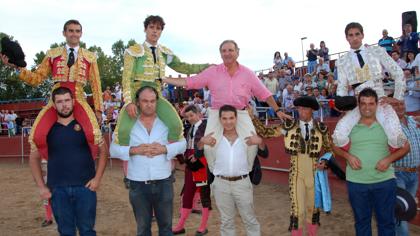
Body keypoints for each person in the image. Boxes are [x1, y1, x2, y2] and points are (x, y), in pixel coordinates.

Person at [163, 40, 291, 176]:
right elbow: (190, 82)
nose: (227, 53)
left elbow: (264, 93)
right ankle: (214, 172)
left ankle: (249, 170)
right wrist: (164, 79)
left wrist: (278, 110)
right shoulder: (212, 71)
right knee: (208, 145)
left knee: (252, 143)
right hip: (217, 112)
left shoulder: (248, 73)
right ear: (220, 54)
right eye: (224, 51)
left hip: (240, 112)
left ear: (237, 52)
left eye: (230, 50)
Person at [0, 19, 103, 160]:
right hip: (56, 99)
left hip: (77, 97)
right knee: (36, 136)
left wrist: (99, 110)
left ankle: (86, 169)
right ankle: (55, 164)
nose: (74, 34)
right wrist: (17, 68)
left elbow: (96, 85)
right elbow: (36, 78)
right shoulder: (52, 54)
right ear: (64, 33)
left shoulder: (90, 57)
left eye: (77, 31)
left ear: (81, 33)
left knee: (93, 134)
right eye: (71, 31)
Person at [113, 15, 208, 148]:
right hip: (136, 97)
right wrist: (129, 102)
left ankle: (167, 155)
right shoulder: (133, 51)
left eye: (158, 28)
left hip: (156, 97)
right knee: (122, 131)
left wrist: (205, 67)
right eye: (151, 27)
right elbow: (127, 78)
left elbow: (183, 66)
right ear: (145, 29)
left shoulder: (164, 53)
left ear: (161, 32)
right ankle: (128, 162)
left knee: (176, 125)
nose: (155, 31)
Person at [29, 87, 108, 236]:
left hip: (86, 188)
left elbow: (104, 150)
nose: (64, 105)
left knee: (87, 231)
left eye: (67, 100)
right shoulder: (46, 129)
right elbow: (33, 158)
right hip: (58, 191)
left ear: (73, 101)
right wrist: (41, 186)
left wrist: (97, 179)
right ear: (54, 105)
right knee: (66, 232)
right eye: (59, 101)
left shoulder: (87, 125)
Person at [110, 86, 187, 236]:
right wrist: (134, 150)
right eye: (145, 101)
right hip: (137, 184)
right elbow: (113, 149)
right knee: (143, 229)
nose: (149, 104)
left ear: (157, 102)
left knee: (166, 228)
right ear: (137, 102)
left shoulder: (166, 122)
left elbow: (183, 144)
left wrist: (164, 149)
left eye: (152, 101)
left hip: (164, 182)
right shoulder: (127, 124)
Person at [333, 88, 410, 236]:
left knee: (387, 223)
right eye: (363, 103)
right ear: (358, 104)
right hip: (356, 183)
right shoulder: (348, 125)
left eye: (371, 103)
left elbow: (405, 147)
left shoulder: (387, 124)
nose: (367, 107)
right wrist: (347, 156)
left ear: (377, 104)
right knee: (362, 223)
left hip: (385, 181)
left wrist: (388, 159)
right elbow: (334, 145)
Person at [250, 96, 332, 236]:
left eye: (304, 108)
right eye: (299, 108)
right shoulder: (289, 125)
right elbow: (266, 132)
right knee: (297, 211)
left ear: (312, 110)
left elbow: (329, 150)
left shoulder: (322, 128)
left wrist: (325, 162)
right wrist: (253, 117)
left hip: (314, 174)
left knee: (312, 209)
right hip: (296, 174)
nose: (301, 112)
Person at [333, 22, 406, 151]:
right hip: (358, 102)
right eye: (351, 35)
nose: (354, 38)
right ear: (347, 38)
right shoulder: (342, 61)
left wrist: (396, 98)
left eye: (357, 34)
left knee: (396, 137)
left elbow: (398, 73)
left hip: (380, 99)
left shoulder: (377, 51)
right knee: (339, 136)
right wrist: (344, 104)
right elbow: (342, 88)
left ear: (362, 35)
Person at [197, 104, 266, 236]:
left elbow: (265, 154)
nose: (228, 122)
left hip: (242, 183)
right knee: (226, 221)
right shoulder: (213, 137)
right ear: (220, 119)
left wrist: (260, 142)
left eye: (231, 118)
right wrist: (202, 142)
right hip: (220, 184)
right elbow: (197, 154)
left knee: (249, 219)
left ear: (236, 118)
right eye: (224, 118)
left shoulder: (246, 136)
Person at [172, 105, 211, 236]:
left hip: (203, 163)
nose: (189, 119)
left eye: (192, 115)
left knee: (204, 193)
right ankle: (180, 225)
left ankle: (203, 226)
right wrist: (182, 159)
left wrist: (198, 155)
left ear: (199, 114)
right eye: (187, 117)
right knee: (188, 192)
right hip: (191, 164)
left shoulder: (207, 126)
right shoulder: (189, 129)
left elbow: (211, 144)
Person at [392, 101, 420, 236]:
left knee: (406, 210)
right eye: (395, 105)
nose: (400, 107)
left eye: (402, 104)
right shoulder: (389, 125)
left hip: (414, 174)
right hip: (397, 173)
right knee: (400, 211)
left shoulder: (413, 121)